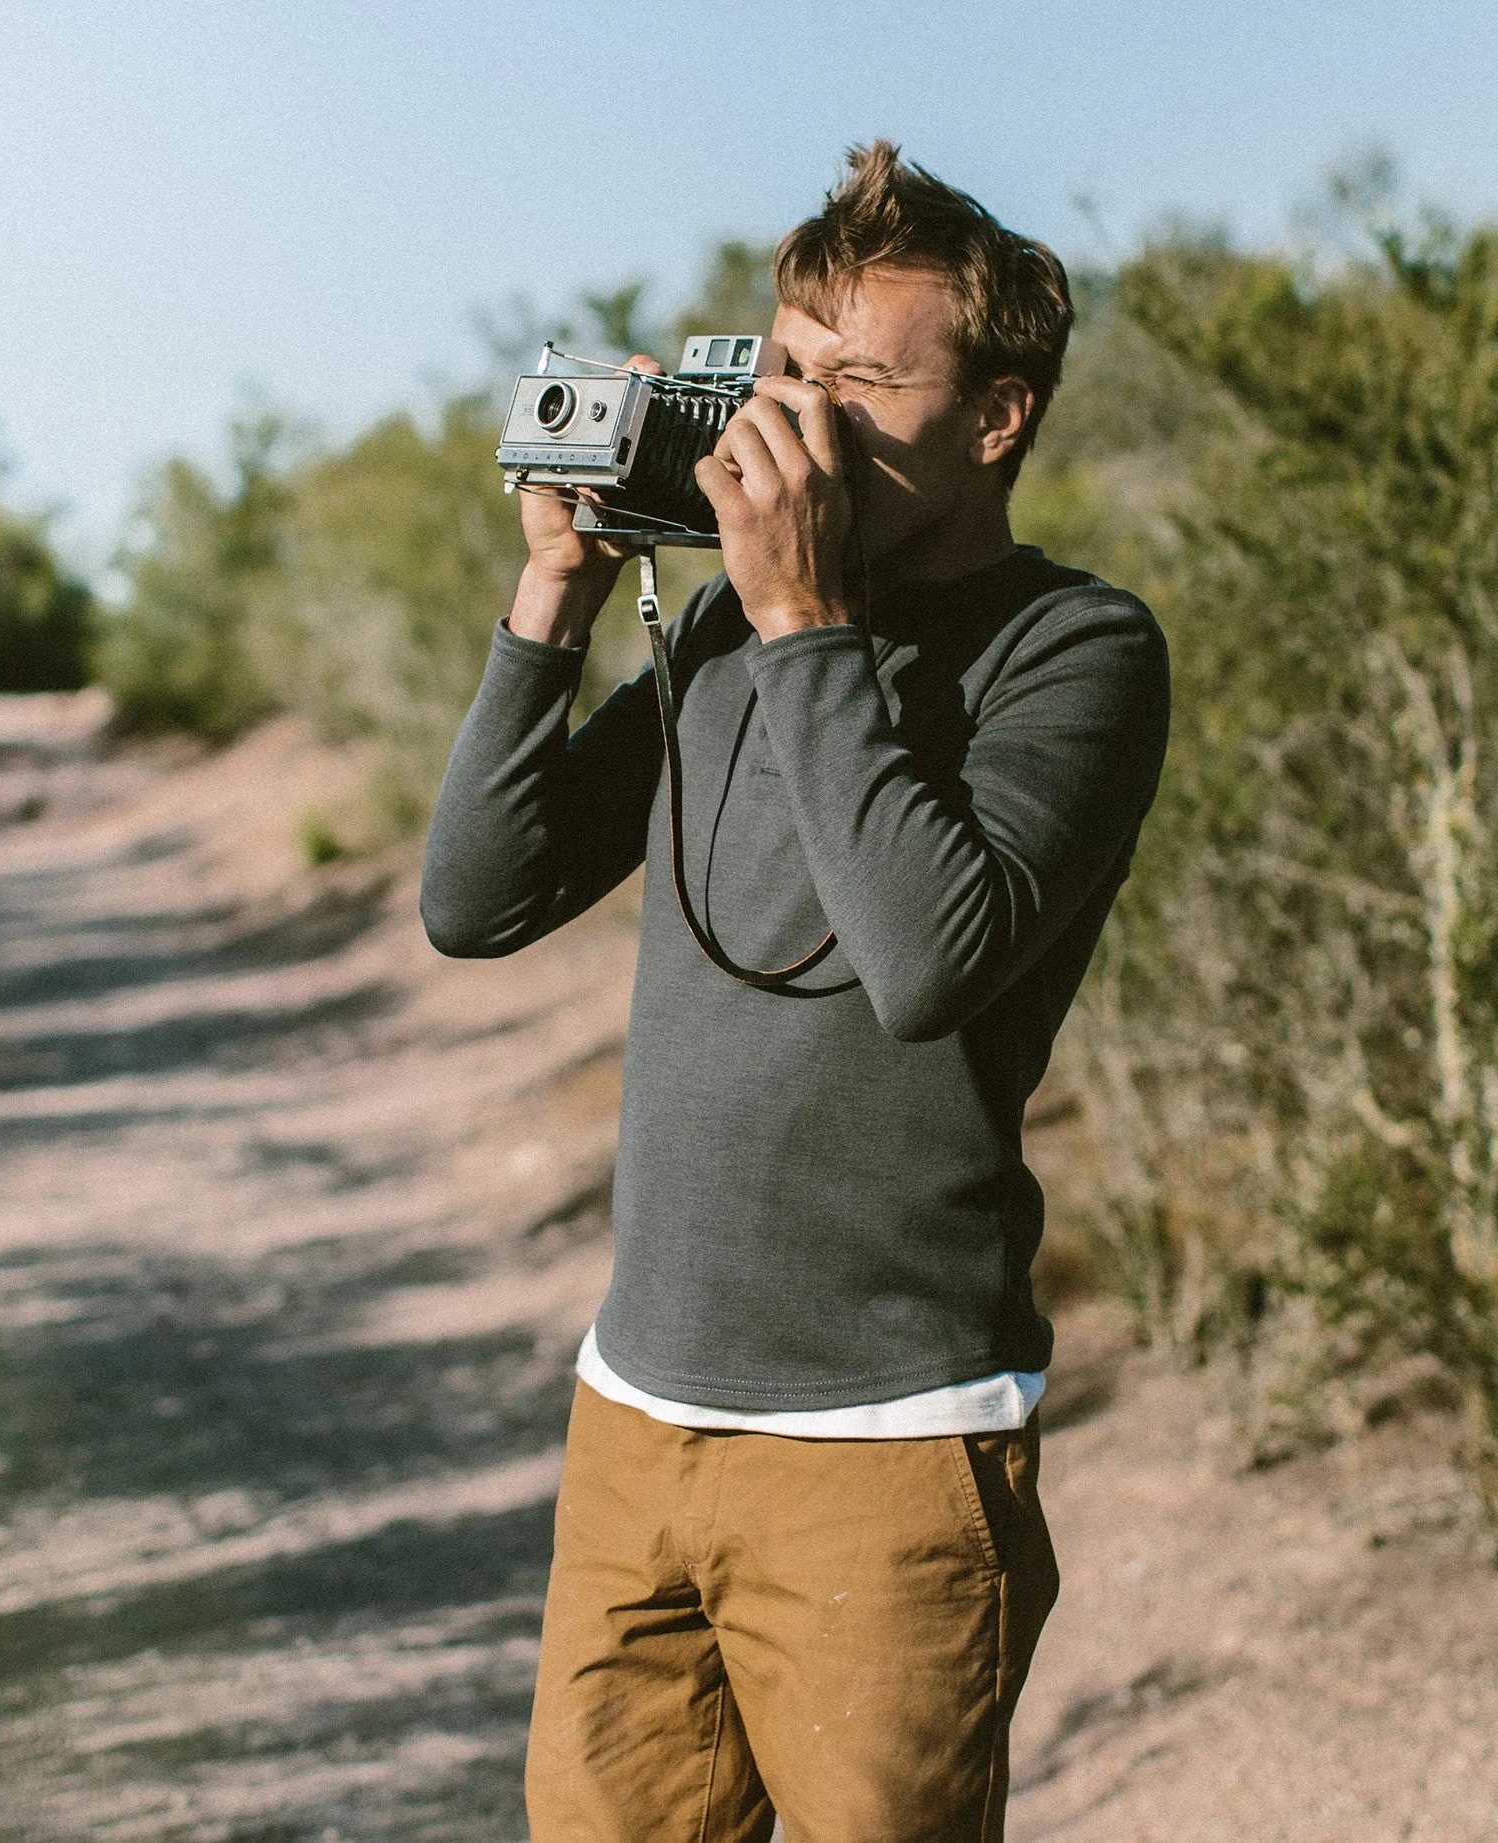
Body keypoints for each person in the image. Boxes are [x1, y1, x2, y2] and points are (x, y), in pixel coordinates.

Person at [421, 141, 1170, 1843]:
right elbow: (475, 902)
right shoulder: (729, 636)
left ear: (996, 417)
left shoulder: (1076, 649)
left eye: (860, 379)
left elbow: (928, 962)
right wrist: (560, 592)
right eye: (785, 368)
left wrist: (807, 615)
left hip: (885, 1446)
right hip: (638, 1414)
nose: (802, 421)